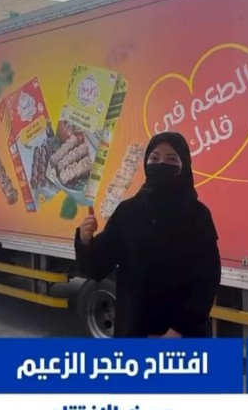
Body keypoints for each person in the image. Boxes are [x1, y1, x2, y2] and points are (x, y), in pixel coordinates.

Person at [74, 131, 221, 338]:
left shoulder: (198, 215)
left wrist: (179, 330)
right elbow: (98, 267)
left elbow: (208, 279)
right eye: (154, 158)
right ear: (145, 163)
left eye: (172, 159)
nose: (161, 164)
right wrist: (85, 240)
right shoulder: (128, 212)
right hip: (135, 332)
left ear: (185, 165)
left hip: (183, 336)